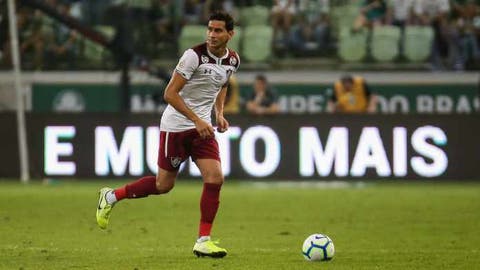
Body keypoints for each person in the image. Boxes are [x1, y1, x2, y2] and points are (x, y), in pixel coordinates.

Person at [96, 11, 240, 258]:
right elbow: (169, 94)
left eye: (218, 31)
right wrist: (196, 119)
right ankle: (111, 196)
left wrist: (219, 113)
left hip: (202, 128)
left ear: (230, 34)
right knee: (163, 185)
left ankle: (203, 240)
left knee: (215, 178)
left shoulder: (233, 60)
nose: (212, 35)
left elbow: (222, 85)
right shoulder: (193, 56)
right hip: (176, 126)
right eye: (209, 29)